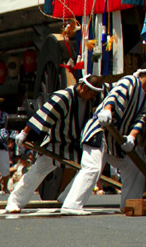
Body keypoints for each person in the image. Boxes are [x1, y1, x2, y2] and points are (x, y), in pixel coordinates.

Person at [61, 64, 146, 215]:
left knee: (134, 166)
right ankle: (71, 205)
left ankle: (129, 204)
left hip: (115, 139)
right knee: (92, 168)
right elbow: (113, 95)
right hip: (99, 131)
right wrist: (107, 109)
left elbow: (141, 119)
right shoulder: (130, 81)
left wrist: (132, 137)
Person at [6, 75, 104, 213]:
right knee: (37, 172)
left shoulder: (90, 99)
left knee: (90, 170)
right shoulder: (63, 97)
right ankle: (14, 202)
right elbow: (42, 115)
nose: (92, 97)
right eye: (91, 93)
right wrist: (24, 133)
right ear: (84, 87)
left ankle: (67, 198)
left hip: (76, 145)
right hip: (57, 143)